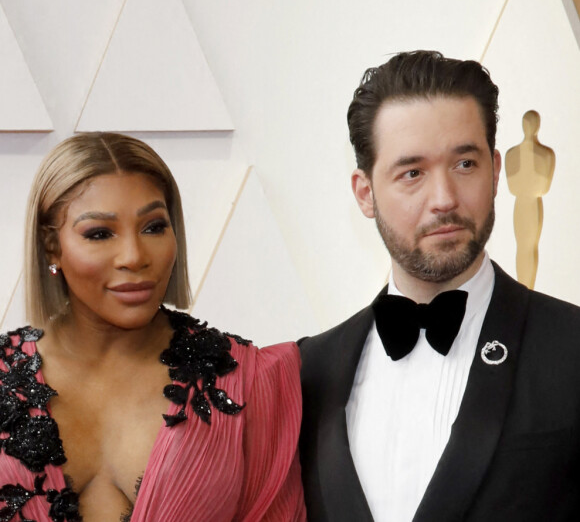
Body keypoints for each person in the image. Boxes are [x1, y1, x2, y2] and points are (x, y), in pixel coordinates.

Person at [299, 51, 580, 521]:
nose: (444, 199)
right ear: (365, 192)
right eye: (412, 173)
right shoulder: (306, 373)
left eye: (465, 164)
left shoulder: (571, 346)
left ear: (494, 170)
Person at [0, 132, 306, 521]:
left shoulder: (252, 381)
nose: (134, 256)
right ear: (51, 247)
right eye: (99, 233)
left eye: (153, 227)